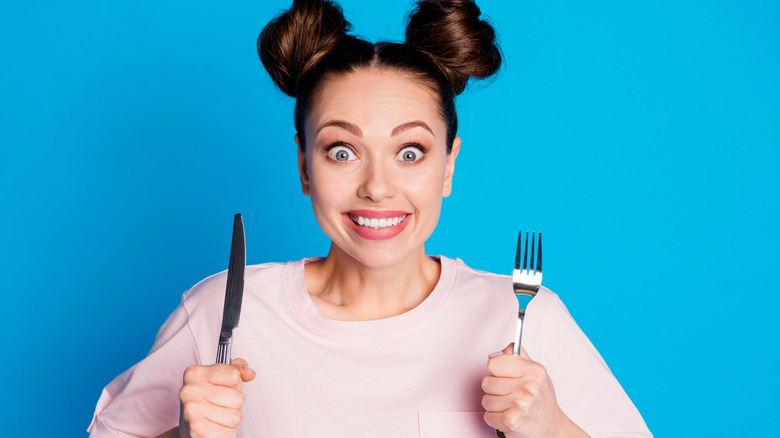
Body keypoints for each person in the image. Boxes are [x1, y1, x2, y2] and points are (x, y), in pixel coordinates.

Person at [88, 0, 652, 437]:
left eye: (410, 152)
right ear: (304, 166)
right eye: (341, 151)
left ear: (449, 166)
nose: (378, 187)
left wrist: (552, 428)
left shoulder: (524, 317)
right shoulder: (221, 312)